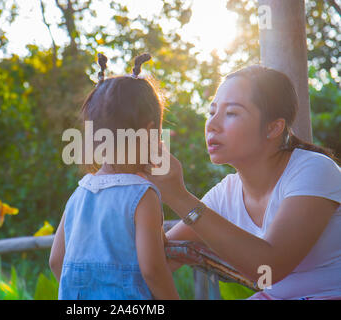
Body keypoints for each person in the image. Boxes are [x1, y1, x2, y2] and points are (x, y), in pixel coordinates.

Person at [142, 65, 341, 300]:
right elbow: (164, 255)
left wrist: (177, 195)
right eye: (211, 112)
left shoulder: (314, 170)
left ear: (273, 127)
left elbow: (269, 268)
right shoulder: (226, 193)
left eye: (231, 113)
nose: (212, 125)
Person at [49, 53, 180, 300]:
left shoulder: (81, 192)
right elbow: (152, 269)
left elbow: (57, 261)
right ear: (150, 131)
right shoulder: (142, 195)